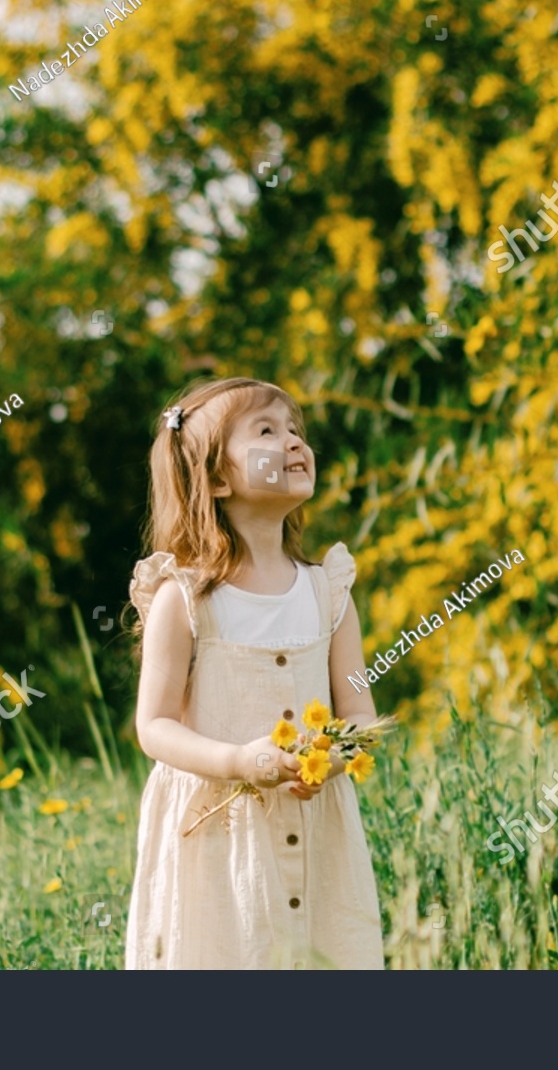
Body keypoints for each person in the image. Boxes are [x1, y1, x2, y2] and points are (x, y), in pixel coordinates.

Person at [124, 377, 384, 969]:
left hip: (317, 838)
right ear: (216, 480)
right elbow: (155, 726)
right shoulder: (186, 598)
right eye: (267, 431)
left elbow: (362, 715)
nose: (294, 442)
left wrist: (335, 755)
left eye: (295, 429)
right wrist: (240, 761)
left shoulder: (329, 594)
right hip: (218, 844)